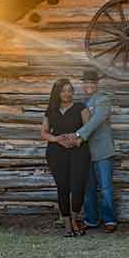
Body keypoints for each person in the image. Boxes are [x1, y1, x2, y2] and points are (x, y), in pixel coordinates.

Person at [67, 69, 117, 233]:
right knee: (88, 188)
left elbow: (95, 122)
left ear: (97, 84)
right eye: (86, 82)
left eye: (92, 82)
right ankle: (92, 219)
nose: (88, 85)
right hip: (86, 152)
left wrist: (78, 135)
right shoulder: (82, 103)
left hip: (102, 151)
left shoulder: (103, 100)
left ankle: (110, 220)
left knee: (105, 187)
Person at [40, 78, 91, 237]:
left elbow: (88, 129)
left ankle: (75, 219)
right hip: (56, 153)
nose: (67, 93)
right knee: (62, 188)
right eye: (63, 90)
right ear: (57, 93)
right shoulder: (50, 111)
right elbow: (44, 132)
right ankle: (67, 224)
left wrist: (77, 141)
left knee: (77, 187)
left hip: (79, 152)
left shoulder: (81, 108)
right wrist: (57, 140)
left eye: (70, 90)